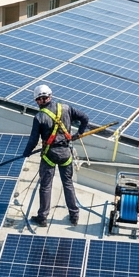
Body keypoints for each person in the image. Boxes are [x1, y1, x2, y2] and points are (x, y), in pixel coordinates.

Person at [22, 85, 90, 227]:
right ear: (50, 96)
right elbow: (84, 118)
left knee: (46, 186)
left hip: (49, 156)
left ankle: (43, 217)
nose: (40, 101)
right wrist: (79, 134)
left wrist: (26, 152)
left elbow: (33, 140)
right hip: (66, 154)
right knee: (68, 183)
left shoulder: (39, 117)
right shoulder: (66, 108)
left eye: (39, 99)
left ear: (37, 101)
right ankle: (74, 215)